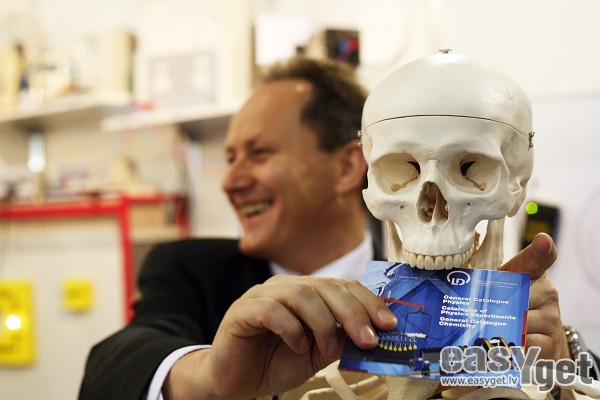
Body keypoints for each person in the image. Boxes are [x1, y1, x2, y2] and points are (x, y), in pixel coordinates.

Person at [79, 56, 595, 400]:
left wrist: (564, 361)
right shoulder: (192, 271)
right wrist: (210, 375)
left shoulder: (504, 289)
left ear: (350, 166)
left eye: (259, 153)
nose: (231, 181)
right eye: (230, 157)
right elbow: (110, 369)